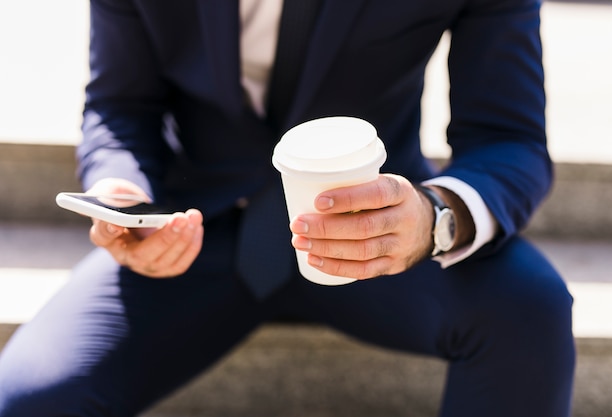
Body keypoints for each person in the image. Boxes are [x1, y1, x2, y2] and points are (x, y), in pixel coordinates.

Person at [0, 0, 576, 416]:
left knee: (531, 311)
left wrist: (435, 217)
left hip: (377, 233)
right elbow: (119, 106)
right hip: (196, 232)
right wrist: (123, 195)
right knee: (28, 396)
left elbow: (509, 139)